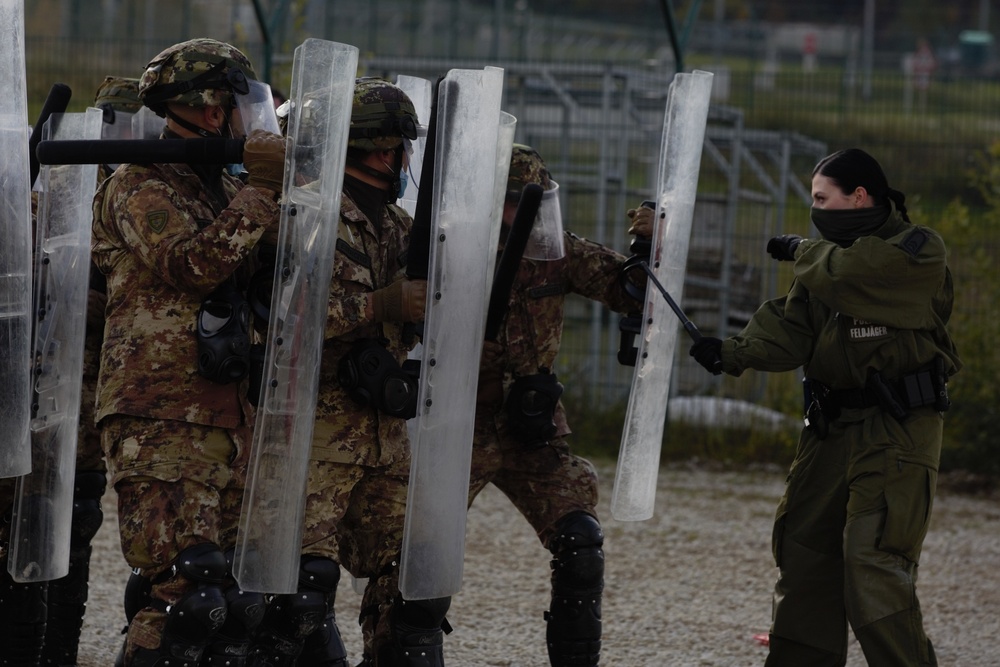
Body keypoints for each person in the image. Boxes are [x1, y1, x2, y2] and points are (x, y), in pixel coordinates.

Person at [688, 148, 961, 666]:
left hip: (897, 431)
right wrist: (729, 352)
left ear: (859, 196)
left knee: (872, 563)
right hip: (830, 431)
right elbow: (791, 332)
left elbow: (854, 273)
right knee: (805, 557)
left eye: (821, 198)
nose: (813, 208)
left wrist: (801, 249)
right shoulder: (825, 261)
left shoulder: (917, 250)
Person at [90, 38, 284, 666]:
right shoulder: (138, 185)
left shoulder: (222, 189)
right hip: (159, 416)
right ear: (209, 112)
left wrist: (289, 193)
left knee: (233, 599)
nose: (251, 121)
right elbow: (192, 263)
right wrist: (260, 189)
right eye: (241, 107)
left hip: (226, 412)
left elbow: (272, 274)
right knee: (187, 589)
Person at [246, 76, 434, 667]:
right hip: (312, 435)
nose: (406, 158)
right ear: (382, 151)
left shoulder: (404, 228)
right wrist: (381, 305)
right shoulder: (302, 215)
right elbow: (283, 318)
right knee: (302, 592)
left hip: (382, 437)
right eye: (403, 145)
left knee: (416, 584)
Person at [465, 144, 644, 666]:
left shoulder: (554, 250)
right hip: (457, 424)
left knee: (580, 544)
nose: (525, 216)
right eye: (515, 202)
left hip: (530, 426)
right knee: (410, 556)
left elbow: (627, 289)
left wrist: (652, 245)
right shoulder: (446, 248)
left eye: (534, 203)